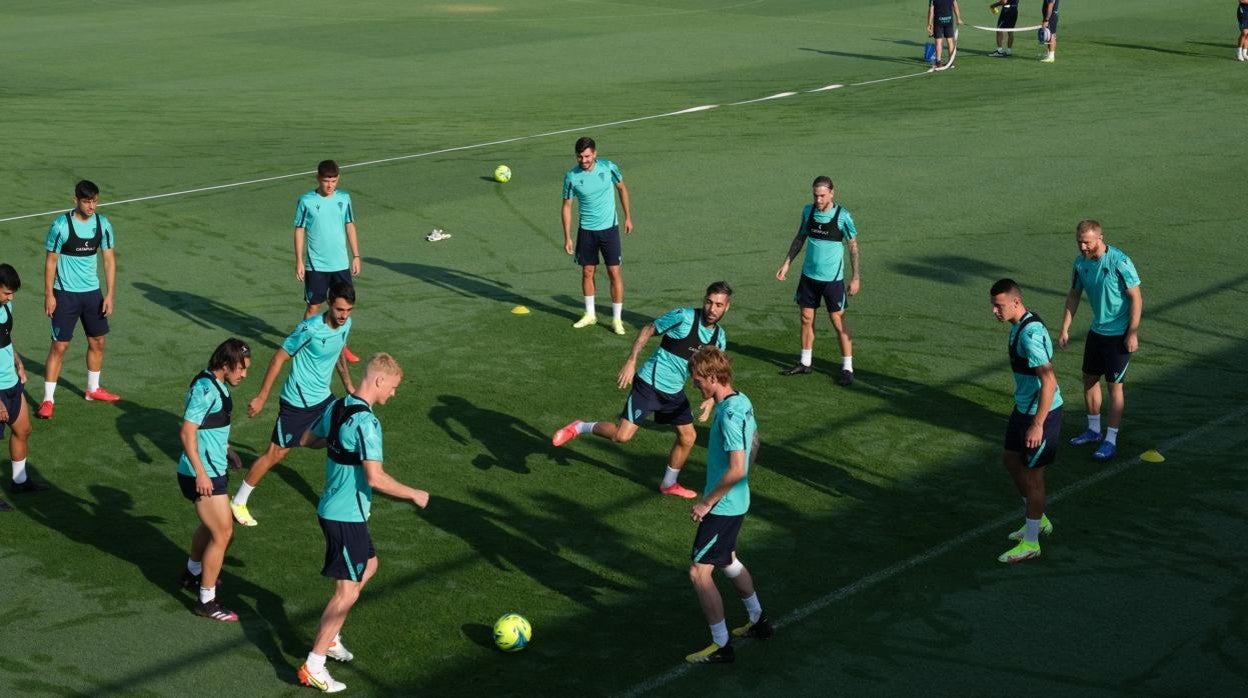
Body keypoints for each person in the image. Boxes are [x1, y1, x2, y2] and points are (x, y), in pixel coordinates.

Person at [296, 353, 430, 693]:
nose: (394, 394)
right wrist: (413, 493)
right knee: (346, 592)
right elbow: (375, 478)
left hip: (334, 509)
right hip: (345, 515)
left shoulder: (339, 406)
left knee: (369, 565)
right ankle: (314, 663)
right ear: (380, 381)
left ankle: (331, 637)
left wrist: (339, 439)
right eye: (394, 387)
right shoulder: (368, 424)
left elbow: (307, 440)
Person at [552, 282, 732, 498]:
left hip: (674, 392)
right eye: (709, 302)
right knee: (622, 436)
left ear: (726, 307)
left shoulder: (718, 337)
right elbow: (649, 329)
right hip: (649, 383)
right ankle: (579, 427)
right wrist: (632, 360)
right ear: (703, 300)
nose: (712, 309)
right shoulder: (683, 317)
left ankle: (668, 484)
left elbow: (715, 371)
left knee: (688, 437)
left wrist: (711, 399)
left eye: (719, 305)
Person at [230, 281, 356, 527]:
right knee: (277, 453)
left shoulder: (346, 324)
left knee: (341, 436)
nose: (344, 316)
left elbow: (339, 352)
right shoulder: (309, 329)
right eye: (340, 309)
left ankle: (336, 497)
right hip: (297, 402)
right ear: (329, 303)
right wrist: (262, 396)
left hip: (323, 398)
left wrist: (349, 387)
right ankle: (238, 501)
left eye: (349, 310)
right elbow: (279, 358)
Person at [682, 347, 769, 665]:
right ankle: (758, 620)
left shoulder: (729, 416)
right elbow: (756, 442)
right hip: (738, 500)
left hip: (723, 506)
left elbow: (736, 469)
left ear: (714, 378)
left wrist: (707, 503)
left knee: (698, 573)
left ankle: (721, 645)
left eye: (698, 382)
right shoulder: (740, 401)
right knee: (728, 560)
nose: (695, 387)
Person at [177, 338, 251, 622]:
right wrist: (202, 472)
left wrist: (228, 449)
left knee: (212, 529)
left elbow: (210, 427)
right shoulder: (206, 389)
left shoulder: (216, 384)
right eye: (241, 369)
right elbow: (187, 432)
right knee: (223, 533)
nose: (243, 374)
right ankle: (206, 601)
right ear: (225, 364)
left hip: (212, 468)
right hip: (202, 474)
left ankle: (193, 572)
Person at [990, 279, 1062, 564]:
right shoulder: (1021, 324)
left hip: (1040, 413)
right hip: (1024, 408)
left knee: (1034, 476)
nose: (994, 311)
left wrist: (1038, 424)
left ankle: (1031, 542)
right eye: (993, 305)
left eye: (999, 306)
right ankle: (1038, 518)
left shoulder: (1028, 335)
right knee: (1010, 459)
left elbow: (1049, 381)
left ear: (1016, 302)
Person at [1059, 220, 1142, 462]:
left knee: (1114, 387)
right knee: (1089, 378)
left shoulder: (1119, 261)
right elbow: (1074, 295)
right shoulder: (1080, 264)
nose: (1082, 246)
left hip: (1119, 335)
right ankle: (1093, 430)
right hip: (1097, 332)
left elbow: (1136, 297)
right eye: (1079, 241)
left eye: (1087, 242)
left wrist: (1133, 332)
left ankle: (1110, 439)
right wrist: (1065, 328)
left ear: (1100, 238)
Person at [37, 180, 120, 420]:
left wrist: (110, 294)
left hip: (92, 294)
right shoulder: (61, 226)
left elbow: (109, 260)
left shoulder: (103, 225)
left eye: (95, 201)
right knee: (59, 347)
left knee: (98, 341)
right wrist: (49, 294)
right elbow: (50, 261)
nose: (91, 206)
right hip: (65, 295)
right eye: (86, 201)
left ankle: (93, 389)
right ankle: (48, 400)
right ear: (76, 200)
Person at [776, 176, 861, 386]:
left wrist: (855, 277)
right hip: (808, 277)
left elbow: (853, 247)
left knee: (838, 320)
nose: (819, 200)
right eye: (816, 195)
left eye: (823, 195)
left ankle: (847, 367)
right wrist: (787, 263)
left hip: (832, 280)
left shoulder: (843, 216)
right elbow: (800, 238)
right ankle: (805, 362)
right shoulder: (808, 211)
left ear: (832, 193)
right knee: (806, 318)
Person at [561, 136, 634, 335]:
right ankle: (590, 314)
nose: (583, 160)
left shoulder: (608, 167)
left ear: (595, 154)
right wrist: (567, 236)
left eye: (587, 156)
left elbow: (622, 188)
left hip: (609, 229)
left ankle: (617, 319)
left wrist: (628, 217)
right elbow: (567, 206)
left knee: (614, 273)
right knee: (587, 272)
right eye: (579, 157)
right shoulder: (571, 177)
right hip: (586, 231)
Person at [295, 160, 361, 364]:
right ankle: (301, 344)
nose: (330, 185)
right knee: (314, 307)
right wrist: (299, 260)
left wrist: (356, 256)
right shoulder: (306, 201)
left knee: (343, 307)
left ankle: (341, 347)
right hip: (316, 266)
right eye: (326, 181)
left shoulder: (344, 199)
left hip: (340, 264)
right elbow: (299, 230)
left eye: (333, 180)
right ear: (318, 179)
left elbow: (350, 225)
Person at [1, 264, 44, 498]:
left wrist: (18, 362)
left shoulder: (6, 307)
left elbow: (5, 338)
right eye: (7, 292)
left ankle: (19, 481)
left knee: (23, 429)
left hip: (11, 382)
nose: (11, 297)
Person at [926, 0, 964, 68]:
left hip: (938, 21)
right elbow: (955, 6)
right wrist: (958, 19)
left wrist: (929, 24)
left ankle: (938, 62)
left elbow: (931, 11)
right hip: (949, 20)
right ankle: (951, 62)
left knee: (938, 41)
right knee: (950, 41)